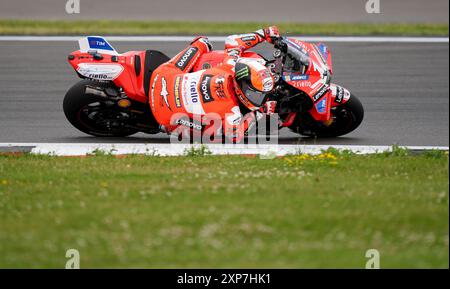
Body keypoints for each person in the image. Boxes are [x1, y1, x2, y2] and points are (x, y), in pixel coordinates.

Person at [149, 26, 280, 142]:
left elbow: (233, 41)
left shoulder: (230, 65)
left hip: (162, 77)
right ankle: (169, 127)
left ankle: (170, 125)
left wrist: (263, 33)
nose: (259, 99)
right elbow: (235, 136)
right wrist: (259, 113)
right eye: (256, 94)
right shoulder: (233, 111)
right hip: (165, 116)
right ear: (243, 88)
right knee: (215, 131)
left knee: (203, 42)